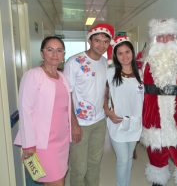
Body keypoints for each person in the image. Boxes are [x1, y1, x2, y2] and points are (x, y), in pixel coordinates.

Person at [140, 18, 177, 186]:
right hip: (153, 122)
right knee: (156, 161)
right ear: (153, 40)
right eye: (160, 36)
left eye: (169, 36)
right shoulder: (144, 62)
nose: (164, 40)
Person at [14, 36, 71, 186]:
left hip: (62, 141)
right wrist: (28, 145)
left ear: (63, 55)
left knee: (58, 178)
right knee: (56, 182)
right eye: (50, 50)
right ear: (42, 53)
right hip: (43, 143)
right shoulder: (33, 75)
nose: (55, 54)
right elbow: (25, 111)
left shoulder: (62, 77)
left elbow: (66, 108)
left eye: (59, 50)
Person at [63, 23, 114, 186]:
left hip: (99, 122)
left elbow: (104, 89)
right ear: (90, 41)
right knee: (79, 167)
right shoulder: (74, 62)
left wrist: (106, 108)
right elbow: (66, 95)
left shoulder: (105, 63)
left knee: (94, 163)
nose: (101, 45)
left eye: (105, 41)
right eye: (97, 40)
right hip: (80, 123)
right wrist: (74, 124)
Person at [103, 36, 144, 186]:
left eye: (127, 52)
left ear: (132, 53)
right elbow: (104, 95)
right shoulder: (110, 73)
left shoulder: (141, 72)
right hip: (117, 122)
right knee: (122, 159)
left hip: (135, 123)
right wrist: (108, 112)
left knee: (128, 159)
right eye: (120, 53)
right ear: (115, 56)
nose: (124, 56)